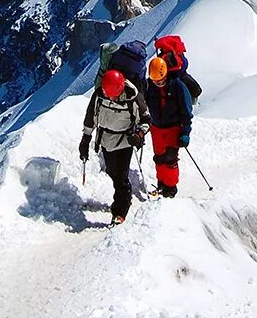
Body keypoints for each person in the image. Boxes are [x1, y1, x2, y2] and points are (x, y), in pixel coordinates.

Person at [80, 68, 149, 225]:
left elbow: (146, 120)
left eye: (111, 94)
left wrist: (138, 135)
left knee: (121, 177)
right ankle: (124, 195)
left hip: (126, 141)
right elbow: (90, 118)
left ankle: (120, 211)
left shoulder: (133, 97)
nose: (108, 96)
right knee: (112, 172)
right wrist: (85, 139)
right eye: (106, 93)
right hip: (106, 140)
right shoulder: (99, 95)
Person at [142, 55, 194, 198]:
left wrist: (185, 132)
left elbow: (186, 111)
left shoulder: (177, 86)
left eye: (161, 80)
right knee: (159, 157)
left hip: (173, 128)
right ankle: (161, 184)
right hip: (156, 128)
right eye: (155, 81)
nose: (159, 83)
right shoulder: (149, 86)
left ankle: (170, 188)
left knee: (170, 158)